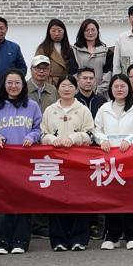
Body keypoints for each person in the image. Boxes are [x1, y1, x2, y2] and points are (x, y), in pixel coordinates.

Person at [0, 69, 42, 254]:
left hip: (25, 161)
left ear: (23, 85)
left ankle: (20, 241)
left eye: (17, 82)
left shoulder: (32, 106)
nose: (13, 86)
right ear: (4, 85)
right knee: (4, 201)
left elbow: (39, 128)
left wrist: (32, 136)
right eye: (9, 82)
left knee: (24, 201)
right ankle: (2, 241)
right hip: (4, 162)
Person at [94, 74, 133, 251]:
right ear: (111, 89)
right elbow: (95, 130)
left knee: (131, 198)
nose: (119, 89)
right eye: (116, 86)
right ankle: (112, 236)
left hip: (131, 159)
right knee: (111, 198)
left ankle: (132, 236)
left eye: (123, 86)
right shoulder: (104, 109)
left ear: (128, 88)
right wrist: (102, 140)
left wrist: (130, 139)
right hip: (110, 160)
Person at [41, 76, 95, 251]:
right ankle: (58, 240)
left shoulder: (83, 110)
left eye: (70, 86)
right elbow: (42, 133)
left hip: (78, 160)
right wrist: (52, 139)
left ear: (75, 89)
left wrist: (75, 138)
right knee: (56, 199)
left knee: (79, 199)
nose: (66, 89)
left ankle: (79, 238)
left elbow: (91, 133)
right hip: (56, 161)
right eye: (63, 86)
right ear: (57, 89)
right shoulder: (50, 110)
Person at [35, 18, 78, 86]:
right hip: (48, 82)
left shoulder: (70, 48)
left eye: (59, 31)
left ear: (64, 32)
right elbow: (37, 68)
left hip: (65, 83)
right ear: (49, 32)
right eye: (53, 31)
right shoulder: (42, 48)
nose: (56, 34)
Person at [72, 19, 110, 95]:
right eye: (87, 30)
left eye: (93, 30)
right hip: (79, 93)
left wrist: (99, 91)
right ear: (82, 32)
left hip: (101, 93)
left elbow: (108, 73)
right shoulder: (74, 50)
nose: (90, 33)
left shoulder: (106, 51)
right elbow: (73, 72)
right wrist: (81, 90)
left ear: (97, 31)